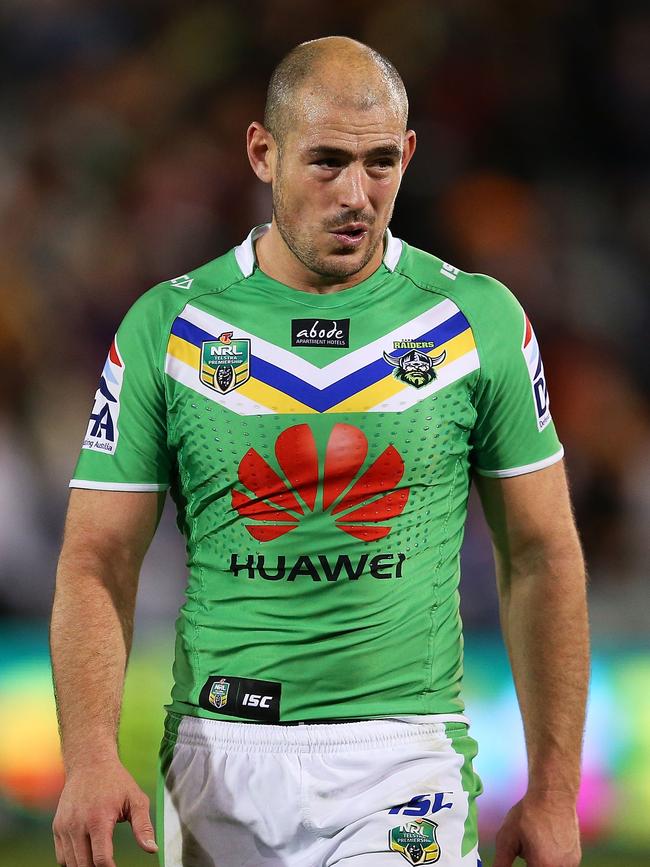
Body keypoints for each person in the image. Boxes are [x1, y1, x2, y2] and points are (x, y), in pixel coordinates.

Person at [51, 36, 589, 867]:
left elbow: (545, 554)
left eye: (380, 164)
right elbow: (95, 559)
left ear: (409, 153)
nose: (356, 195)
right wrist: (88, 755)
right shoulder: (167, 328)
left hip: (406, 757)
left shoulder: (479, 321)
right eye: (327, 161)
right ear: (262, 153)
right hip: (218, 754)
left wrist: (554, 788)